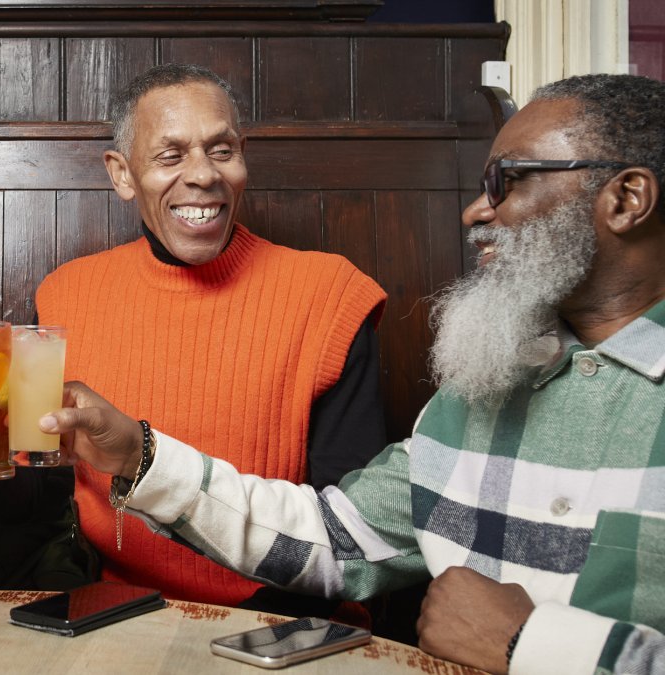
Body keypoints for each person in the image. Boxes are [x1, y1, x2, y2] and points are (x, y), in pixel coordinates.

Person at [44, 72, 665, 675]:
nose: (476, 212)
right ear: (121, 173)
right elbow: (338, 540)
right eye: (484, 184)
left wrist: (531, 644)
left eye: (509, 181)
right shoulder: (480, 393)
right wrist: (137, 456)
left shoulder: (330, 296)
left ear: (627, 199)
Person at [34, 63, 388, 612]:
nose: (203, 175)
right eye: (171, 155)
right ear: (122, 174)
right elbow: (38, 482)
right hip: (108, 606)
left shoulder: (332, 296)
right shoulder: (64, 294)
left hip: (278, 612)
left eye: (221, 151)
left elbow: (354, 527)